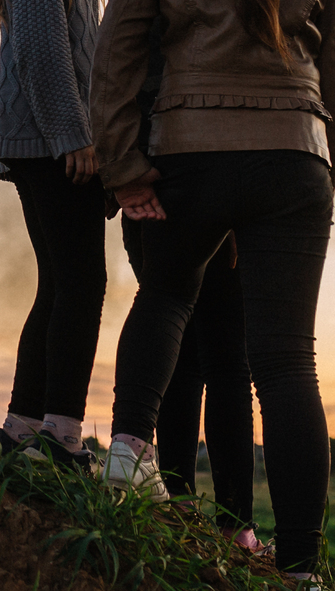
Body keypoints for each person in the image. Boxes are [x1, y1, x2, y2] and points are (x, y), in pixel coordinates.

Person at [91, 0, 335, 581]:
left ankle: (128, 461)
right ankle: (302, 569)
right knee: (286, 364)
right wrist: (319, 173)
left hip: (189, 156)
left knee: (167, 296)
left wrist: (126, 168)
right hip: (294, 159)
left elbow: (116, 61)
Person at [0, 0, 107, 471]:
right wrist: (74, 135)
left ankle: (20, 428)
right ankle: (62, 435)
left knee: (60, 284)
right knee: (83, 283)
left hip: (60, 142)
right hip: (52, 143)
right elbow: (43, 55)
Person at [121, 225, 258, 545]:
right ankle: (236, 529)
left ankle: (179, 505)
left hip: (145, 213)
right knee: (227, 364)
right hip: (216, 212)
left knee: (181, 353)